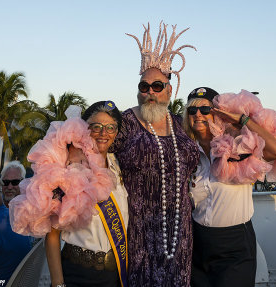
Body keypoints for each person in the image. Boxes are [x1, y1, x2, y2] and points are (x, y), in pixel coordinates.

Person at [113, 22, 199, 286]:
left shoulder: (183, 126)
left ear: (169, 91)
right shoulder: (124, 123)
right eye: (144, 86)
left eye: (157, 86)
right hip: (138, 236)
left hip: (180, 235)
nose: (150, 91)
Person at [183, 87, 276, 287]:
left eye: (205, 110)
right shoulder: (188, 155)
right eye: (192, 110)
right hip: (198, 246)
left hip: (234, 246)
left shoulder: (238, 147)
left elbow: (275, 150)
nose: (198, 114)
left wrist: (241, 120)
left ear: (217, 114)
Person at [45, 101, 128, 287]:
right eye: (95, 126)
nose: (103, 133)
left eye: (110, 127)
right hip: (77, 273)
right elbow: (52, 235)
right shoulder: (69, 167)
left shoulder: (118, 165)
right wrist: (58, 283)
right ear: (83, 129)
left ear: (116, 132)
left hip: (114, 275)